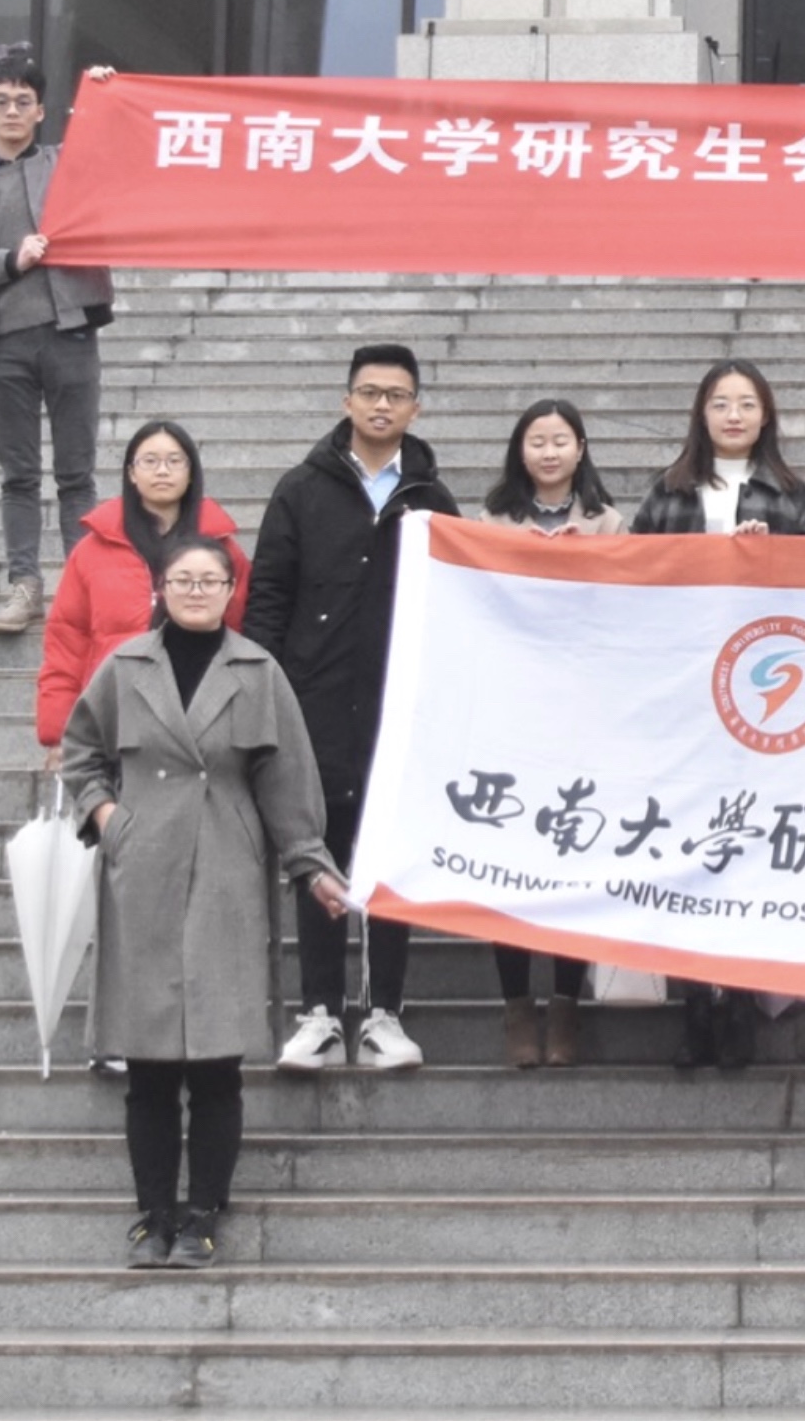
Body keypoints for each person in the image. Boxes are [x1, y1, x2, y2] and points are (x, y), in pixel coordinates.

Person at [57, 537, 346, 1271]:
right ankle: (153, 1214)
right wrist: (108, 820)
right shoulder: (125, 667)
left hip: (225, 870)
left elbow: (287, 778)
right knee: (149, 1065)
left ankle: (204, 1214)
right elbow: (81, 751)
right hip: (143, 870)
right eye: (182, 579)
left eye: (209, 580)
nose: (195, 590)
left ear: (228, 590)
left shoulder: (257, 671)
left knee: (217, 1064)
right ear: (161, 587)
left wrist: (311, 864)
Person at [243, 343, 463, 1074]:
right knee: (318, 849)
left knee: (390, 854)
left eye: (396, 395)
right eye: (369, 392)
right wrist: (263, 693)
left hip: (401, 706)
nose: (381, 405)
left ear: (415, 408)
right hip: (314, 701)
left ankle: (384, 1014)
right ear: (347, 401)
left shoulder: (431, 500)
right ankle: (320, 1014)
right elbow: (268, 597)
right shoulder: (300, 490)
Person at [627, 362, 805, 1072]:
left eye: (747, 404)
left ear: (766, 415)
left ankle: (740, 996)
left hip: (763, 699)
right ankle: (694, 1002)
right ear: (701, 413)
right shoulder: (669, 490)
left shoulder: (793, 495)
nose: (734, 415)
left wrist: (770, 556)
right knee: (688, 842)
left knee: (747, 844)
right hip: (687, 692)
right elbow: (632, 574)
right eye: (721, 403)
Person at [0, 54, 112, 634]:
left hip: (69, 332)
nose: (12, 111)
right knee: (19, 475)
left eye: (23, 101)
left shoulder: (65, 166)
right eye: (1, 102)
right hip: (3, 343)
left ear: (40, 111)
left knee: (77, 474)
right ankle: (25, 587)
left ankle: (84, 589)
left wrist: (105, 95)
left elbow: (112, 156)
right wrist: (11, 260)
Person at [473, 399, 627, 1070]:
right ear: (520, 450)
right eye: (536, 440)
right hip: (511, 713)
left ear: (580, 447)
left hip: (583, 714)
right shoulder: (490, 522)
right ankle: (517, 1006)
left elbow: (625, 605)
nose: (548, 452)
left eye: (560, 440)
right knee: (507, 863)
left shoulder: (607, 522)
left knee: (572, 856)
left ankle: (564, 1005)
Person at [35, 420, 248, 752]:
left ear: (191, 473)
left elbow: (242, 636)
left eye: (175, 461)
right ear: (131, 473)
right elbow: (67, 640)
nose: (162, 470)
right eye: (149, 461)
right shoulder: (92, 551)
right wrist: (58, 732)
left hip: (201, 722)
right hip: (113, 718)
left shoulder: (223, 551)